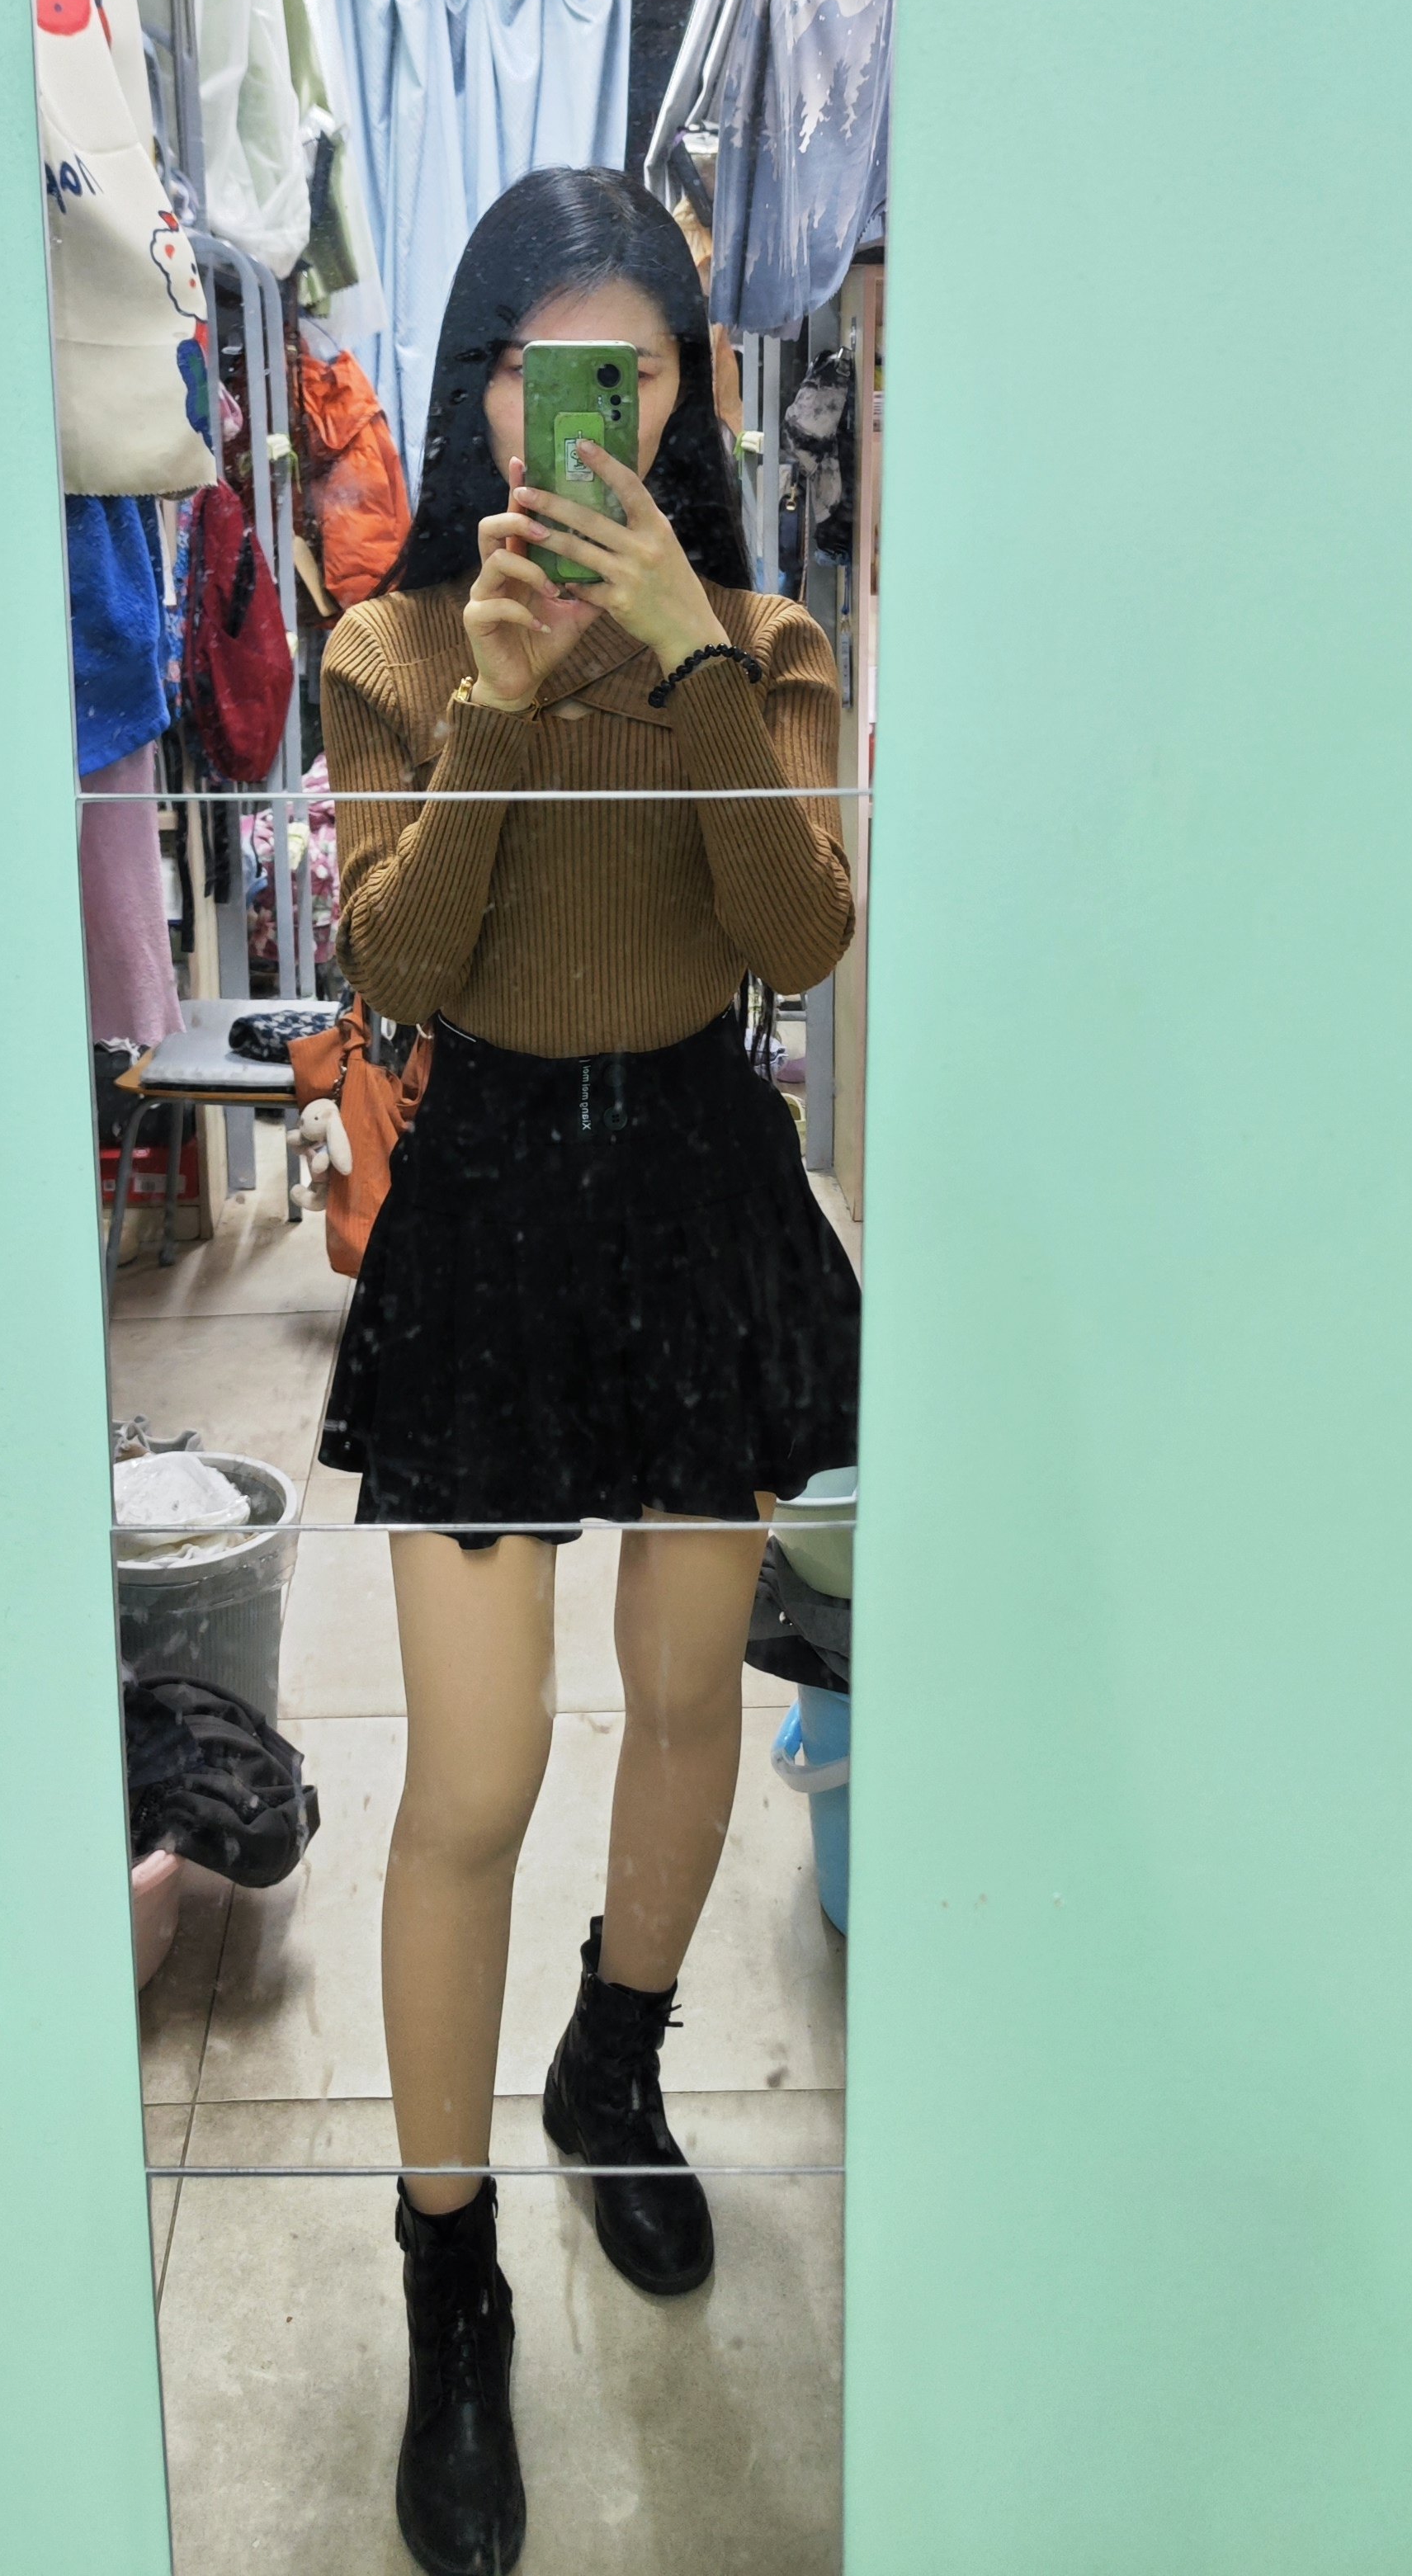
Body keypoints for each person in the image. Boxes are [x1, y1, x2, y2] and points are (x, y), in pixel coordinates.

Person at [319, 164, 862, 2576]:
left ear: (693, 395)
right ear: (479, 393)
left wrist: (693, 662)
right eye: (555, 373)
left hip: (702, 1192)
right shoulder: (394, 643)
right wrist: (511, 700)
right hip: (492, 1208)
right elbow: (399, 972)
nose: (598, 414)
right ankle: (450, 2286)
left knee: (682, 1697)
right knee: (471, 1768)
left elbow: (798, 940)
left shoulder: (767, 631)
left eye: (636, 375)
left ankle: (615, 2064)